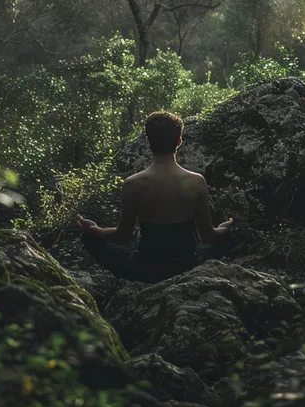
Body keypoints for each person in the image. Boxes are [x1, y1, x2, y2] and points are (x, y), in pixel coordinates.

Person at [75, 110, 234, 283]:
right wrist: (225, 228)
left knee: (88, 238)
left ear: (148, 142)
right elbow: (208, 236)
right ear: (179, 141)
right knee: (231, 236)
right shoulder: (196, 182)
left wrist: (94, 230)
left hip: (145, 269)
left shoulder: (132, 184)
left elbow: (122, 237)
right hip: (188, 265)